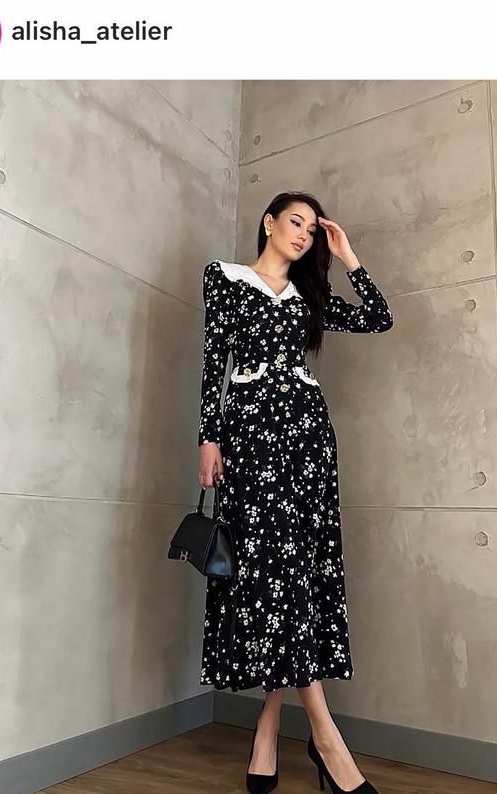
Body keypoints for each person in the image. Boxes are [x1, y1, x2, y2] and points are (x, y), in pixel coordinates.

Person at [197, 191, 392, 793]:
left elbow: (379, 317)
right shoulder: (226, 279)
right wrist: (208, 438)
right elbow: (214, 361)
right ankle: (324, 738)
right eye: (296, 222)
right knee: (264, 573)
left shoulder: (311, 297)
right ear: (270, 222)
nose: (304, 234)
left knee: (297, 572)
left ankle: (269, 723)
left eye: (313, 228)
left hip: (308, 437)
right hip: (250, 435)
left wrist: (348, 255)